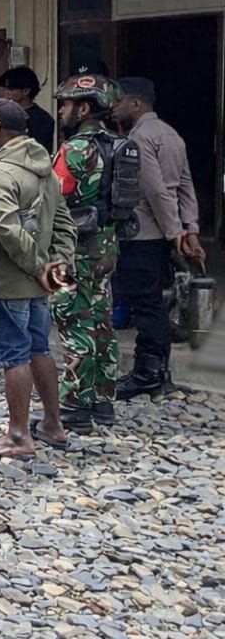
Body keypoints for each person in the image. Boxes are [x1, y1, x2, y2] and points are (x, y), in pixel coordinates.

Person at [0, 99, 76, 459]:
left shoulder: (1, 174)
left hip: (7, 281)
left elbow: (3, 226)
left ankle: (18, 436)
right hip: (39, 283)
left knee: (13, 355)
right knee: (39, 349)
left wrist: (35, 266)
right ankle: (52, 424)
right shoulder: (45, 170)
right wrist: (55, 267)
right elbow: (64, 222)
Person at [112, 77, 203, 400]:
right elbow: (185, 185)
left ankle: (149, 373)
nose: (114, 106)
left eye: (119, 101)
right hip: (162, 233)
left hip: (143, 234)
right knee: (152, 301)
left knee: (145, 303)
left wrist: (174, 230)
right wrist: (189, 227)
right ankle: (155, 371)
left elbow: (155, 191)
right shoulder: (171, 135)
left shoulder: (139, 139)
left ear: (136, 103)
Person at [50, 74, 125, 431]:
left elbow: (52, 198)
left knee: (72, 319)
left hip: (75, 245)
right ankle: (102, 401)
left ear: (83, 108)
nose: (62, 111)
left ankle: (74, 405)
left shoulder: (75, 150)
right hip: (108, 244)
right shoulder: (119, 144)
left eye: (65, 105)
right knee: (101, 320)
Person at [0, 66, 56, 153]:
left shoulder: (42, 119)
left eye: (11, 89)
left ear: (26, 91)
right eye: (5, 88)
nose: (6, 92)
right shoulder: (1, 114)